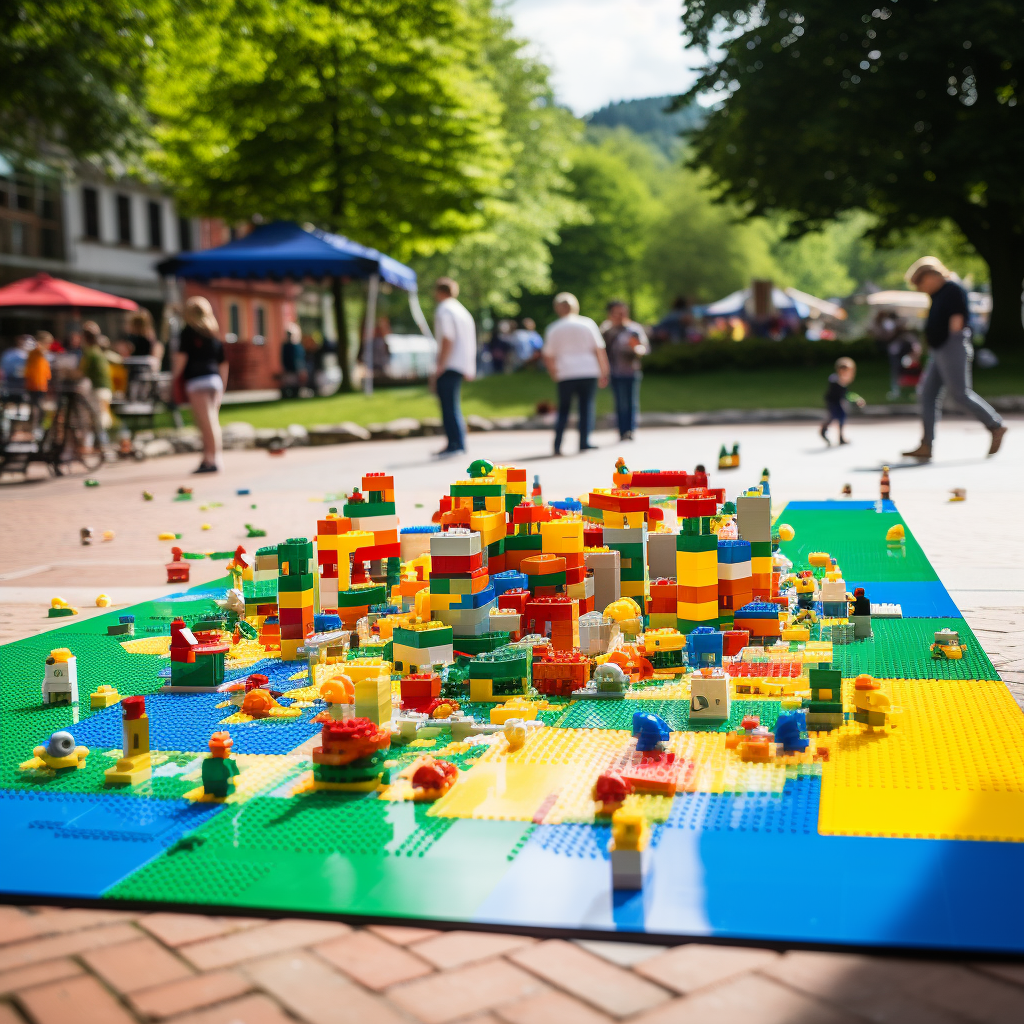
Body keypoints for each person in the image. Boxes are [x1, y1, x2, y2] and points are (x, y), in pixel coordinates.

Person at [901, 257, 1006, 460]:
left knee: (960, 394)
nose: (920, 289)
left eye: (920, 283)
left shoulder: (952, 290)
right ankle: (926, 444)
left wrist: (947, 342)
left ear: (931, 276)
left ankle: (995, 426)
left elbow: (957, 320)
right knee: (926, 393)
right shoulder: (939, 294)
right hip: (940, 349)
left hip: (951, 346)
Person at [542, 292, 609, 456]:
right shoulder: (587, 324)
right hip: (588, 370)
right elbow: (599, 349)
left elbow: (548, 355)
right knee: (586, 407)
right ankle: (584, 442)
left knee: (564, 409)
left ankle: (558, 444)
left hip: (565, 372)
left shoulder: (554, 328)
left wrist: (553, 372)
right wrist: (604, 371)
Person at [174, 296, 228, 473]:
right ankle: (209, 457)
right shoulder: (213, 332)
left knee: (206, 423)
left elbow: (181, 359)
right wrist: (223, 386)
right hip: (214, 380)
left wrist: (174, 378)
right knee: (211, 420)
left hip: (197, 380)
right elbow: (223, 362)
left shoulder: (187, 332)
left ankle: (212, 459)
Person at [429, 277, 476, 458]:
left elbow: (448, 338)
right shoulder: (461, 310)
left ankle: (455, 444)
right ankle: (457, 442)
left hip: (449, 363)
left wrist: (439, 365)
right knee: (452, 404)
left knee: (448, 406)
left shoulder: (444, 310)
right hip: (461, 363)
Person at [601, 300, 648, 441]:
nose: (621, 315)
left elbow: (644, 348)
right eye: (617, 313)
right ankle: (622, 430)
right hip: (614, 371)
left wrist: (636, 350)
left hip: (631, 370)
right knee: (620, 402)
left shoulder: (634, 329)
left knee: (631, 402)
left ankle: (630, 430)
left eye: (623, 312)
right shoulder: (607, 331)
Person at [821, 357, 866, 446]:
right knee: (833, 416)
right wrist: (842, 380)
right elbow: (833, 384)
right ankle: (823, 430)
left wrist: (857, 399)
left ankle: (841, 438)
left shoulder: (845, 381)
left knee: (842, 417)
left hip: (839, 401)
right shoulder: (834, 378)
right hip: (832, 401)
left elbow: (846, 394)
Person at [80, 322, 113, 443]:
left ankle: (103, 448)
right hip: (105, 389)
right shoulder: (98, 351)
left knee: (96, 421)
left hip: (99, 390)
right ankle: (102, 447)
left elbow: (82, 372)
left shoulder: (91, 353)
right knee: (98, 421)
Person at [24, 332, 52, 433]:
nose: (49, 345)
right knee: (37, 407)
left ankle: (37, 428)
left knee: (38, 407)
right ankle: (35, 428)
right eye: (48, 343)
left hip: (41, 385)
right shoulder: (36, 352)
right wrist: (39, 344)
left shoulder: (42, 354)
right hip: (35, 385)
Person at [279, 323, 306, 399]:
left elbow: (301, 358)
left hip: (296, 369)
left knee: (296, 386)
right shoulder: (286, 346)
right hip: (289, 369)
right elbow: (284, 358)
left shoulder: (297, 346)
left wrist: (300, 369)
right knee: (289, 385)